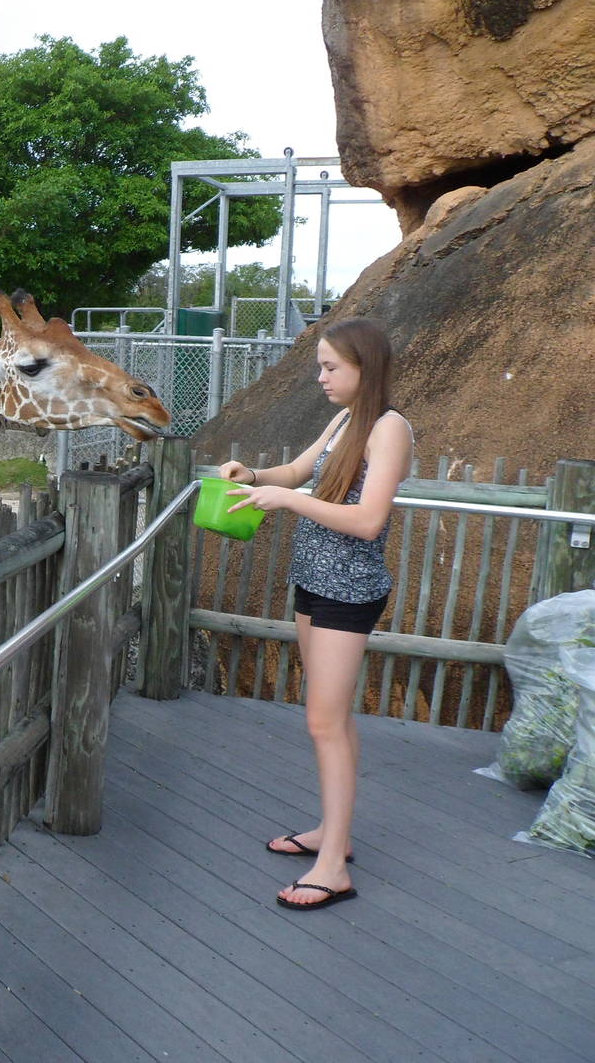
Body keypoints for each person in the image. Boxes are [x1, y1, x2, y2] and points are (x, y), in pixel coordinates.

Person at [218, 318, 413, 910]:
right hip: (315, 582)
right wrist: (253, 476)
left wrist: (288, 501)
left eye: (331, 367)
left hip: (347, 592)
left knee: (323, 723)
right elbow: (297, 473)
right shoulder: (345, 421)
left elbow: (369, 520)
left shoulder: (390, 428)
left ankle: (333, 868)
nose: (321, 377)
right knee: (334, 719)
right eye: (320, 367)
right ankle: (334, 834)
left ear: (364, 367)